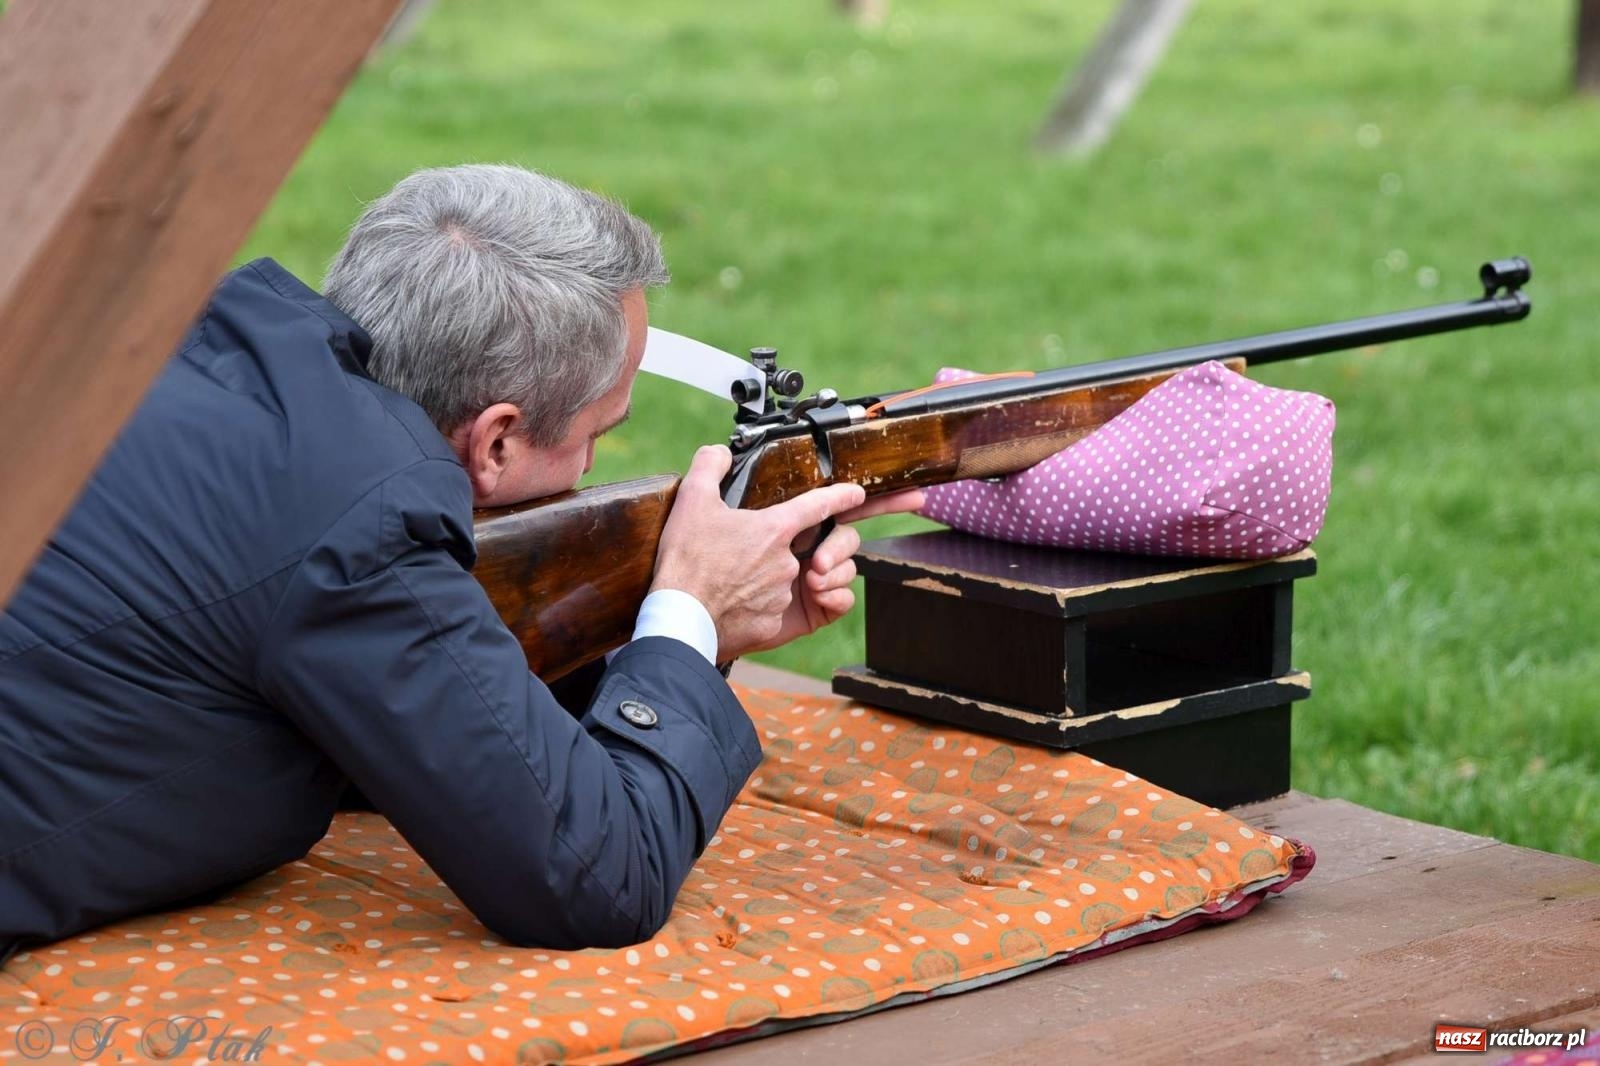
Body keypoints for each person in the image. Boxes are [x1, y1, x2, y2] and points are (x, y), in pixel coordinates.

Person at [0, 164, 921, 959]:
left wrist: (691, 628)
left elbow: (439, 735)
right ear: (496, 442)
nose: (591, 469)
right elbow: (600, 878)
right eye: (598, 435)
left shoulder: (196, 345)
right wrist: (691, 615)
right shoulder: (360, 525)